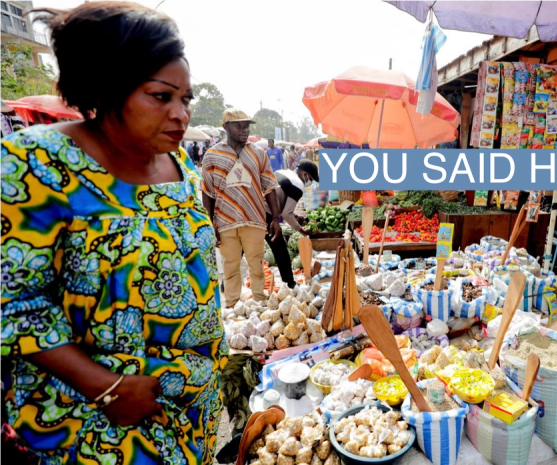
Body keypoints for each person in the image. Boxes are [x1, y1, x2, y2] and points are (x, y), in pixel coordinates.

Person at [0, 3, 224, 464]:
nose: (180, 114)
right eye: (161, 97)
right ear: (109, 87)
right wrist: (108, 389)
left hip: (188, 415)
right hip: (96, 423)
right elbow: (15, 304)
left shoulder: (181, 168)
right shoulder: (36, 164)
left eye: (186, 100)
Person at [202, 109, 281, 306]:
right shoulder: (212, 156)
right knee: (230, 268)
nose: (244, 130)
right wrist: (209, 222)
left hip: (254, 217)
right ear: (225, 127)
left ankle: (260, 304)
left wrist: (276, 219)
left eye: (246, 126)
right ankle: (232, 306)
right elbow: (207, 192)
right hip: (224, 220)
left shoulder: (258, 153)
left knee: (256, 264)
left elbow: (270, 187)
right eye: (238, 125)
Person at [268, 160, 319, 286]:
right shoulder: (298, 185)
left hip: (257, 208)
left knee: (245, 245)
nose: (309, 182)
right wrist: (301, 230)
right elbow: (286, 214)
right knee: (281, 249)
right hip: (266, 213)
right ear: (304, 174)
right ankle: (290, 283)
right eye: (311, 179)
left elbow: (281, 200)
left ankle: (228, 281)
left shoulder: (283, 171)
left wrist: (293, 216)